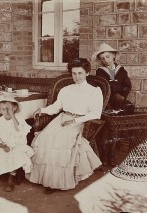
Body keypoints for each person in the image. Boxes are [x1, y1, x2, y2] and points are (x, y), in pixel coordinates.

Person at [26, 58, 103, 193]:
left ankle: (56, 181)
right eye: (74, 73)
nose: (77, 77)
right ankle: (46, 178)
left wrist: (74, 121)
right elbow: (56, 107)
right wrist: (43, 110)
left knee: (61, 140)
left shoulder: (94, 91)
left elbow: (95, 114)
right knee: (45, 137)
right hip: (62, 118)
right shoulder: (66, 89)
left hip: (80, 121)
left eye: (80, 73)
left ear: (87, 73)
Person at [91, 43, 135, 166]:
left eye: (108, 56)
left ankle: (116, 149)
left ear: (114, 56)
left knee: (130, 107)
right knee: (107, 127)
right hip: (108, 101)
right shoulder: (100, 72)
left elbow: (127, 85)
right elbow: (102, 87)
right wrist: (111, 95)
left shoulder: (121, 70)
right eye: (102, 58)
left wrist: (123, 95)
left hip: (119, 100)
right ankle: (106, 156)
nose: (105, 60)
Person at [0, 96, 34, 192]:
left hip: (16, 145)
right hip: (3, 145)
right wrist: (2, 145)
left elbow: (20, 130)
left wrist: (13, 116)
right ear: (0, 110)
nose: (6, 111)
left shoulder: (19, 120)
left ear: (14, 108)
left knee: (15, 156)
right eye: (3, 109)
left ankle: (11, 178)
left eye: (8, 109)